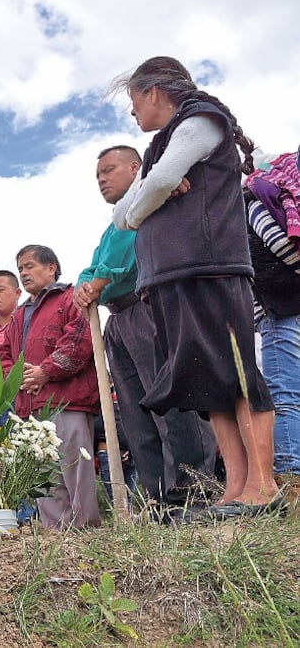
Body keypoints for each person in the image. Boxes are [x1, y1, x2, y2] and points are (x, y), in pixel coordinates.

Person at [111, 56, 279, 516]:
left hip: (210, 265)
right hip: (173, 274)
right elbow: (120, 214)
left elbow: (159, 183)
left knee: (238, 371)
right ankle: (236, 490)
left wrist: (154, 192)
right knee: (208, 380)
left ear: (153, 92)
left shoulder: (202, 119)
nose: (132, 113)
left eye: (133, 101)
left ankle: (263, 487)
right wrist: (153, 194)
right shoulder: (161, 145)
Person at [74, 145, 216, 517]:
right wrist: (87, 283)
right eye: (97, 175)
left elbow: (118, 261)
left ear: (136, 168)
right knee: (137, 416)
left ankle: (193, 493)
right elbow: (92, 268)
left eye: (109, 170)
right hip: (117, 319)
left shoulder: (149, 203)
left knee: (171, 404)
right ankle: (155, 501)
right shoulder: (112, 226)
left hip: (149, 308)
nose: (101, 179)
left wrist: (100, 279)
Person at [0, 245, 100, 529]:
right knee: (44, 475)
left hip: (68, 400)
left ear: (51, 267)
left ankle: (85, 532)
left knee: (75, 468)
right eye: (20, 269)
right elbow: (3, 354)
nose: (23, 273)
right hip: (31, 406)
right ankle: (57, 535)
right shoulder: (19, 315)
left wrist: (45, 371)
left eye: (29, 266)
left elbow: (79, 341)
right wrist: (19, 378)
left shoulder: (70, 298)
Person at [244, 149, 300, 481]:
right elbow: (282, 247)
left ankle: (291, 470)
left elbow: (282, 248)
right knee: (288, 392)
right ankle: (292, 471)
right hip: (280, 306)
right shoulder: (265, 202)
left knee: (287, 393)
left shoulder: (259, 201)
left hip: (282, 307)